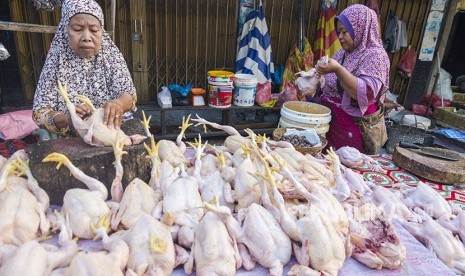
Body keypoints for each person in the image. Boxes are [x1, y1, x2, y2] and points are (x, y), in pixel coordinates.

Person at [32, 0, 137, 136]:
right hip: (74, 140)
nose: (86, 37)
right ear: (65, 29)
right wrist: (68, 119)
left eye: (94, 30)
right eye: (77, 29)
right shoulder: (56, 60)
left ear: (101, 31)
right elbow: (40, 113)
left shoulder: (111, 55)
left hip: (114, 132)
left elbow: (129, 95)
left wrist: (118, 104)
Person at [316, 4, 390, 153]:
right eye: (339, 32)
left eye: (345, 32)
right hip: (331, 124)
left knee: (347, 168)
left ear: (360, 29)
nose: (341, 37)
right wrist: (316, 77)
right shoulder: (340, 54)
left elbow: (366, 93)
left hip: (354, 129)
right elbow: (329, 84)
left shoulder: (376, 56)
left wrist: (338, 69)